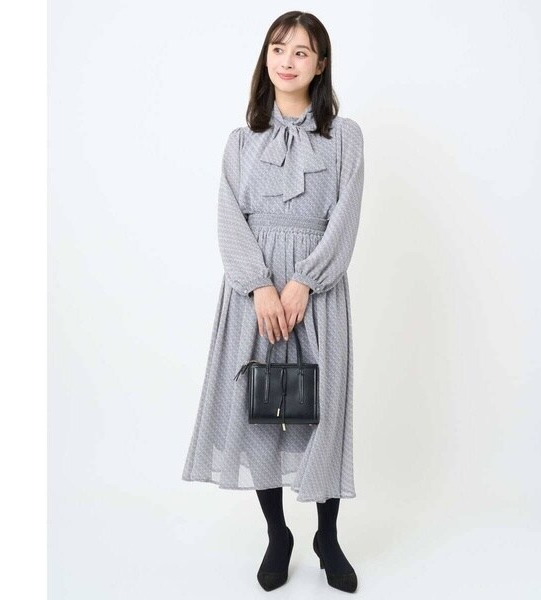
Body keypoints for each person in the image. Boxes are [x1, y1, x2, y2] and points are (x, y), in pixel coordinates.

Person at [181, 11, 364, 593]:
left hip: (318, 292)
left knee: (323, 410)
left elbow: (345, 218)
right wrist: (260, 285)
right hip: (252, 294)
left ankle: (327, 537)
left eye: (301, 52)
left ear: (321, 64)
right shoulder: (241, 142)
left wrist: (305, 281)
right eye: (278, 49)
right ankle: (277, 534)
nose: (287, 61)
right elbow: (228, 217)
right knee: (260, 408)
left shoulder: (345, 137)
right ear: (266, 58)